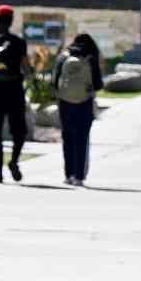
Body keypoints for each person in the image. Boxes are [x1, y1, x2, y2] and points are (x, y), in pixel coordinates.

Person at [0, 5, 30, 183]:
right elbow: (26, 68)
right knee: (19, 132)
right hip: (14, 90)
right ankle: (14, 161)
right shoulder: (19, 42)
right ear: (11, 21)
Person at [52, 33, 103, 186]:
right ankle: (79, 176)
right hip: (84, 103)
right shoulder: (90, 59)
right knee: (82, 138)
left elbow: (54, 82)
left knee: (67, 138)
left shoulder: (63, 57)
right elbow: (98, 84)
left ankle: (68, 174)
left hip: (65, 102)